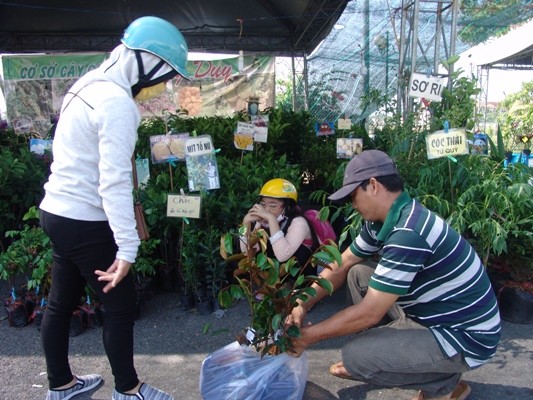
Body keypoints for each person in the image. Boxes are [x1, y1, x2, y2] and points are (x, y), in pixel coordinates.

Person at [38, 16, 189, 400]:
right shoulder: (117, 103)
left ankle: (60, 385)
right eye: (167, 76)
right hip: (85, 219)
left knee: (60, 302)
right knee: (120, 306)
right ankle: (129, 390)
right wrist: (127, 247)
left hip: (56, 210)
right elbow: (114, 181)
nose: (163, 85)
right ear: (147, 63)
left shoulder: (86, 84)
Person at [287, 150, 501, 400]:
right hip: (435, 315)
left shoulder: (408, 232)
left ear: (374, 186)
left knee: (357, 357)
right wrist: (302, 302)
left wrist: (307, 337)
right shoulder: (384, 220)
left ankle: (444, 384)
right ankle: (390, 358)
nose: (352, 205)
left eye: (353, 196)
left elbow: (370, 312)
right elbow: (343, 263)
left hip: (466, 337)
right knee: (358, 274)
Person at [240, 178, 319, 276]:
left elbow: (283, 255)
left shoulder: (299, 223)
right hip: (279, 279)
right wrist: (245, 224)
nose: (266, 209)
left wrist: (271, 219)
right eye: (263, 204)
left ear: (287, 206)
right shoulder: (263, 222)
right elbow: (247, 252)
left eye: (273, 205)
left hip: (303, 279)